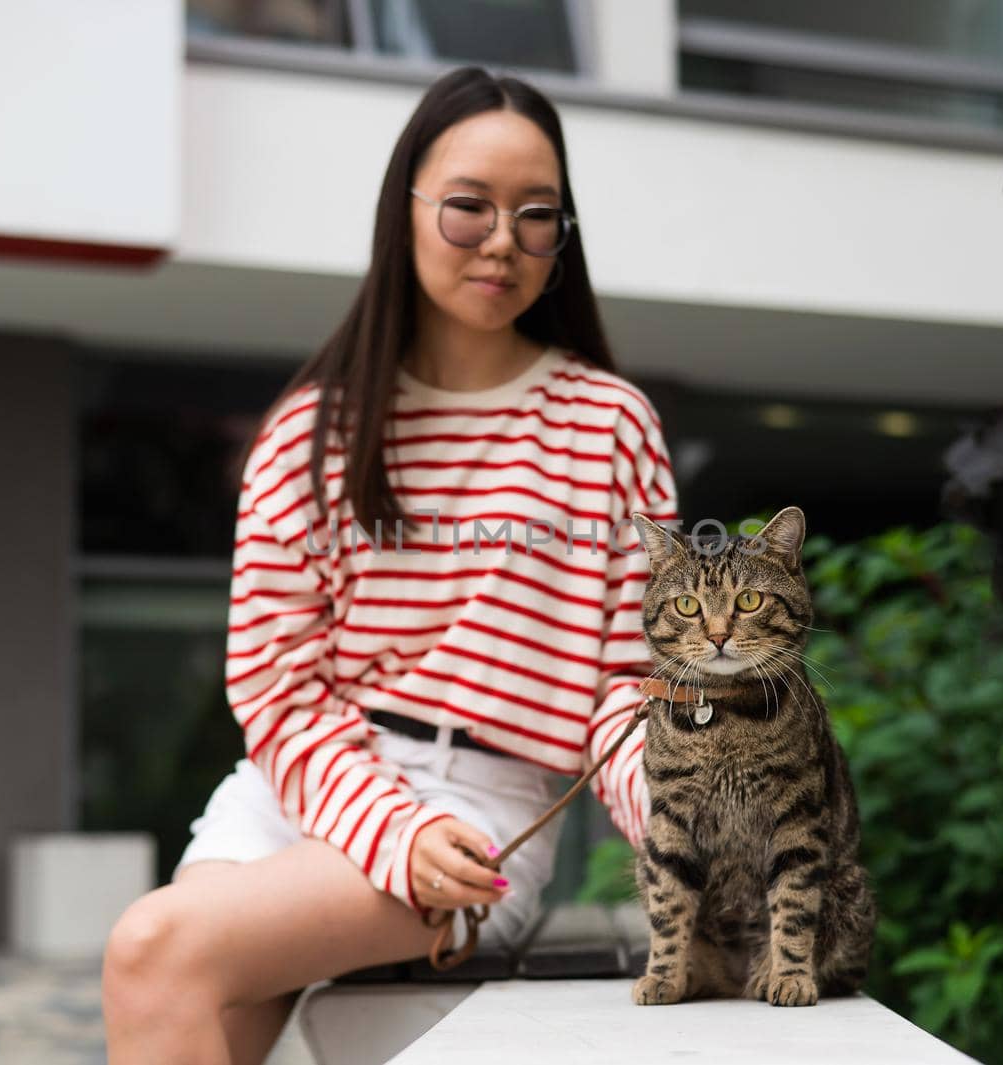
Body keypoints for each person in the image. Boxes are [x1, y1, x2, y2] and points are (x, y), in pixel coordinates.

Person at [101, 66, 678, 1065]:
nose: (503, 240)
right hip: (299, 789)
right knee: (186, 997)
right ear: (404, 209)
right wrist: (384, 827)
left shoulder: (606, 428)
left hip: (476, 817)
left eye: (536, 216)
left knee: (154, 946)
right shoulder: (312, 431)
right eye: (468, 208)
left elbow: (627, 685)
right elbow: (278, 687)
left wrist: (687, 821)